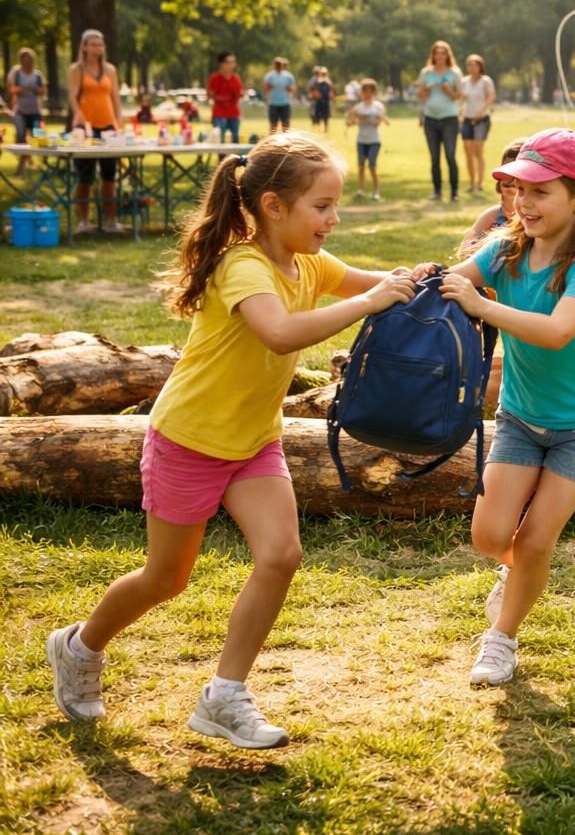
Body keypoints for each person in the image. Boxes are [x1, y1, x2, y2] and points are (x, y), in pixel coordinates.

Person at [45, 132, 416, 746]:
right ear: (274, 206)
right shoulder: (242, 265)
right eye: (321, 206)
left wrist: (451, 276)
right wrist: (372, 301)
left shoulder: (312, 265)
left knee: (280, 554)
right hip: (189, 440)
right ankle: (80, 647)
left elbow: (389, 281)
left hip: (252, 444)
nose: (334, 218)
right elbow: (278, 332)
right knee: (167, 579)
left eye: (334, 205)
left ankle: (225, 695)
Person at [420, 129, 575, 687]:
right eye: (517, 190)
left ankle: (500, 640)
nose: (523, 204)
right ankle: (522, 575)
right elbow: (452, 284)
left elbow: (557, 331)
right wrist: (416, 281)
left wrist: (483, 305)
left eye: (539, 192)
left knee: (534, 541)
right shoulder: (505, 250)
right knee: (490, 537)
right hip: (520, 418)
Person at [67, 28, 126, 234]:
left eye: (100, 44)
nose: (97, 48)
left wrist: (117, 123)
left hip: (108, 125)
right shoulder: (77, 69)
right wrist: (79, 115)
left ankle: (111, 220)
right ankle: (83, 220)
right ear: (84, 46)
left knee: (109, 175)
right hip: (85, 127)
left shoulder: (110, 70)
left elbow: (116, 98)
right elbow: (73, 96)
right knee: (85, 175)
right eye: (93, 44)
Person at [417, 39, 464, 201]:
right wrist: (426, 89)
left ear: (447, 54)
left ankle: (454, 192)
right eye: (437, 52)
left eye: (443, 52)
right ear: (433, 55)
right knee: (434, 158)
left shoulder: (455, 72)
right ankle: (437, 191)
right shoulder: (426, 73)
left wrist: (448, 90)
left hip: (449, 118)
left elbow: (459, 95)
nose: (440, 55)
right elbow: (420, 95)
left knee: (450, 156)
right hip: (430, 118)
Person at [463, 139, 526, 254]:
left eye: (517, 173)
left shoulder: (530, 219)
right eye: (506, 171)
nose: (511, 179)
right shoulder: (493, 216)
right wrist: (480, 243)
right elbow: (467, 248)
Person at [345, 79, 389, 200]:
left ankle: (376, 191)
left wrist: (364, 119)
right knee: (360, 166)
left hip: (374, 141)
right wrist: (354, 120)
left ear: (374, 92)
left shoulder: (378, 107)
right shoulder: (358, 107)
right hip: (361, 140)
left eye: (370, 91)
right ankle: (361, 190)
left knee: (372, 166)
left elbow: (378, 122)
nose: (367, 94)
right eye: (365, 91)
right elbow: (348, 122)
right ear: (361, 93)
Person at [460, 54, 496, 195]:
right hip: (467, 119)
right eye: (469, 65)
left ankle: (480, 182)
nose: (471, 67)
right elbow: (461, 100)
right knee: (468, 151)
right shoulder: (464, 82)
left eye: (474, 65)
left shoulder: (486, 81)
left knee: (478, 151)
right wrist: (461, 114)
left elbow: (491, 97)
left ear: (480, 66)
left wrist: (480, 113)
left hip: (481, 119)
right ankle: (471, 182)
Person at [8, 47, 46, 173]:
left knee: (39, 138)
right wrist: (22, 89)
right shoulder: (17, 74)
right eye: (25, 60)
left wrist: (35, 90)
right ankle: (21, 167)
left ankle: (43, 164)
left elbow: (43, 91)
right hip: (21, 112)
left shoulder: (38, 75)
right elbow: (11, 90)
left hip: (36, 112)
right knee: (21, 138)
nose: (27, 62)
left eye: (30, 60)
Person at [207, 52, 243, 144]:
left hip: (234, 113)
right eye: (229, 62)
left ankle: (236, 158)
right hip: (219, 114)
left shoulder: (236, 78)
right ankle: (221, 158)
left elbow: (239, 94)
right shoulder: (215, 78)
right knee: (220, 139)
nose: (232, 65)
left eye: (233, 62)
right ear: (221, 64)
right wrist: (219, 97)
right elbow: (209, 94)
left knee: (235, 139)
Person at [262, 57, 296, 133]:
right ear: (274, 65)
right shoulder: (269, 76)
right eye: (277, 64)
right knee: (273, 125)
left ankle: (287, 141)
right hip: (273, 103)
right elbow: (265, 89)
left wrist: (288, 88)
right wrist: (269, 87)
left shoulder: (288, 76)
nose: (278, 66)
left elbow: (293, 89)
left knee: (286, 125)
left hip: (285, 103)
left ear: (282, 65)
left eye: (279, 64)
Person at [307, 67, 332, 133]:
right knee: (317, 115)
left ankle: (325, 128)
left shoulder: (328, 81)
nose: (324, 74)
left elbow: (331, 91)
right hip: (319, 101)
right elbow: (312, 88)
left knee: (326, 116)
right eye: (323, 73)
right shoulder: (317, 81)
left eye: (324, 73)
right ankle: (318, 128)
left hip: (326, 101)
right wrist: (316, 94)